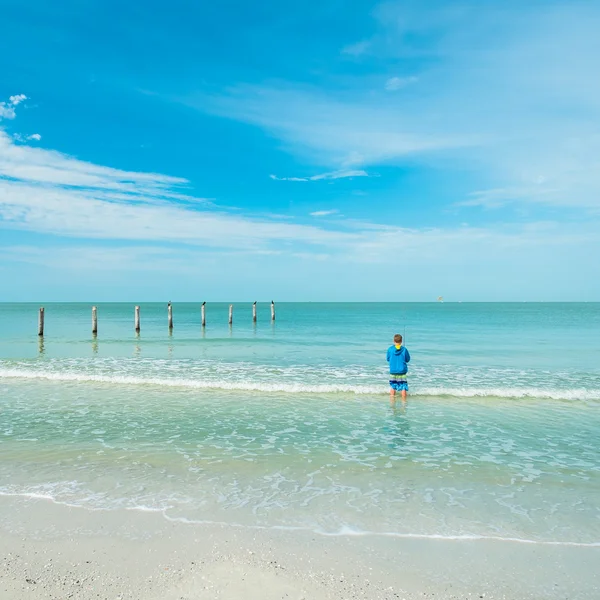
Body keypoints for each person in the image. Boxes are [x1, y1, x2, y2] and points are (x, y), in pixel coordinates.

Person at [386, 334, 410, 401]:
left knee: (393, 385)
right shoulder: (404, 349)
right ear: (401, 341)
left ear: (394, 341)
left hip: (393, 370)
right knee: (403, 386)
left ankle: (392, 401)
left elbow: (388, 359)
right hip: (402, 371)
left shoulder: (390, 349)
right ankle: (404, 402)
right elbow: (407, 359)